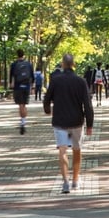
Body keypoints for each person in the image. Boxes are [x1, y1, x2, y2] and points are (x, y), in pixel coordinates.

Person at [43, 53, 94, 194]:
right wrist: (90, 124)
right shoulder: (80, 81)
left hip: (60, 121)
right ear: (73, 64)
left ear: (63, 64)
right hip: (77, 121)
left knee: (62, 150)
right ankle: (76, 180)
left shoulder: (55, 80)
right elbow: (87, 105)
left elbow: (47, 99)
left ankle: (65, 181)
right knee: (77, 149)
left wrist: (47, 110)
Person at [10, 49, 34, 134]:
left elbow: (11, 76)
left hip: (18, 86)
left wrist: (11, 84)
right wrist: (32, 87)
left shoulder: (14, 64)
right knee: (24, 104)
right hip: (26, 86)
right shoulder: (29, 64)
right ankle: (24, 121)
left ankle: (22, 122)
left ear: (17, 55)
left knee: (20, 104)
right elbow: (32, 76)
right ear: (24, 55)